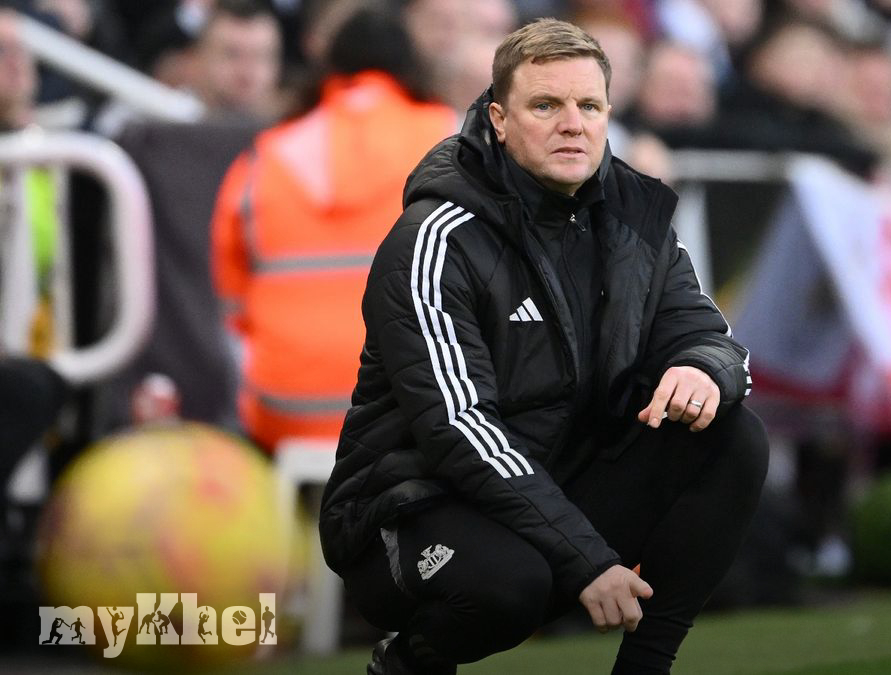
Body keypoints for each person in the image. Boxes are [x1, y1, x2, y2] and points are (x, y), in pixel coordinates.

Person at [319, 18, 767, 675]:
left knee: (732, 435)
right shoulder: (435, 237)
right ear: (499, 121)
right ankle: (407, 662)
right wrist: (587, 558)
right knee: (511, 587)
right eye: (546, 106)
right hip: (411, 503)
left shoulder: (632, 218)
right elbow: (457, 427)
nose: (572, 125)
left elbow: (710, 337)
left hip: (549, 481)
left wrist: (703, 370)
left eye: (589, 106)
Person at [211, 3, 457, 450]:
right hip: (417, 412)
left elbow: (231, 308)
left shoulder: (266, 155)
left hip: (284, 413)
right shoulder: (451, 140)